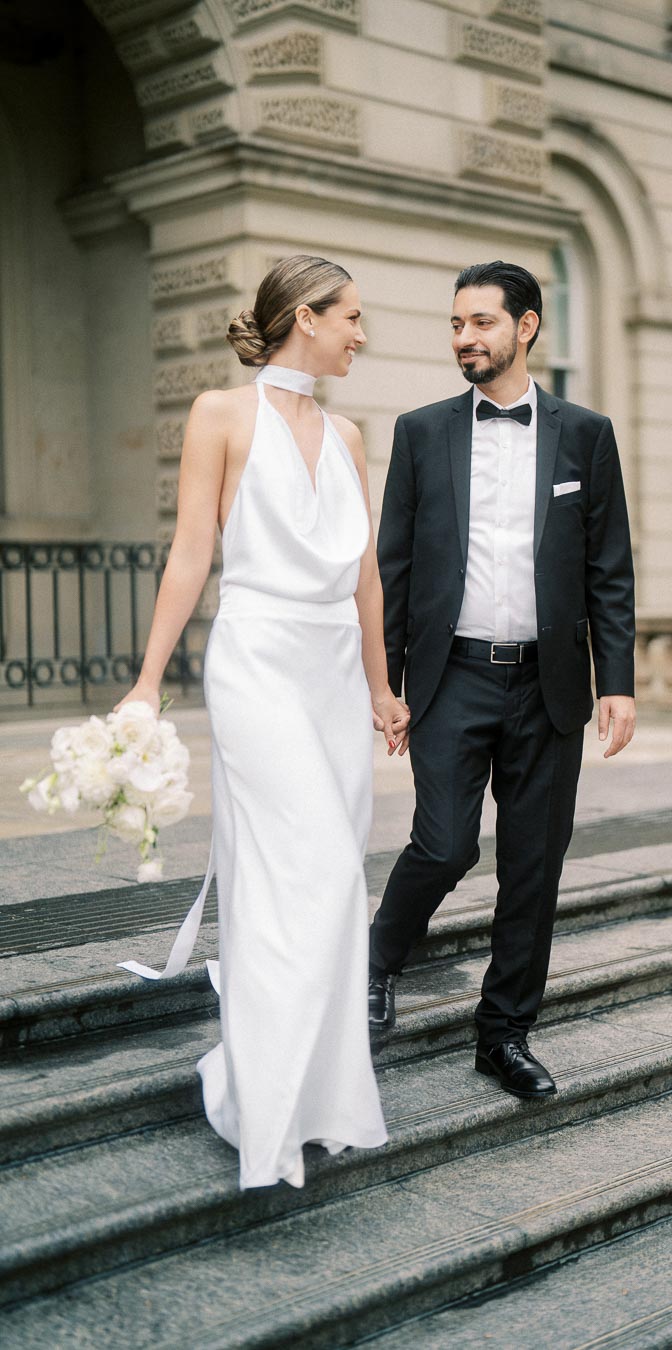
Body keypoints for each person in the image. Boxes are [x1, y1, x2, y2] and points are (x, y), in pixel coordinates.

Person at [118, 255, 408, 1189]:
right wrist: (146, 681)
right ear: (304, 317)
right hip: (254, 664)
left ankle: (310, 1097)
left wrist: (380, 687)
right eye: (352, 317)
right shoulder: (219, 415)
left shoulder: (352, 434)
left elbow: (365, 575)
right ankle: (267, 1110)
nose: (362, 334)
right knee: (315, 864)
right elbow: (191, 552)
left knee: (317, 880)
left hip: (331, 676)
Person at [368, 260, 635, 1099]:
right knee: (444, 843)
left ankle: (504, 1033)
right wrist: (388, 683)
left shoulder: (585, 435)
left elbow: (609, 569)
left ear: (526, 327)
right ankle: (373, 966)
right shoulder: (420, 433)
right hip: (452, 677)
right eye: (455, 324)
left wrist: (615, 680)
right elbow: (394, 567)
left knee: (534, 866)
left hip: (549, 685)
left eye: (480, 323)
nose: (464, 340)